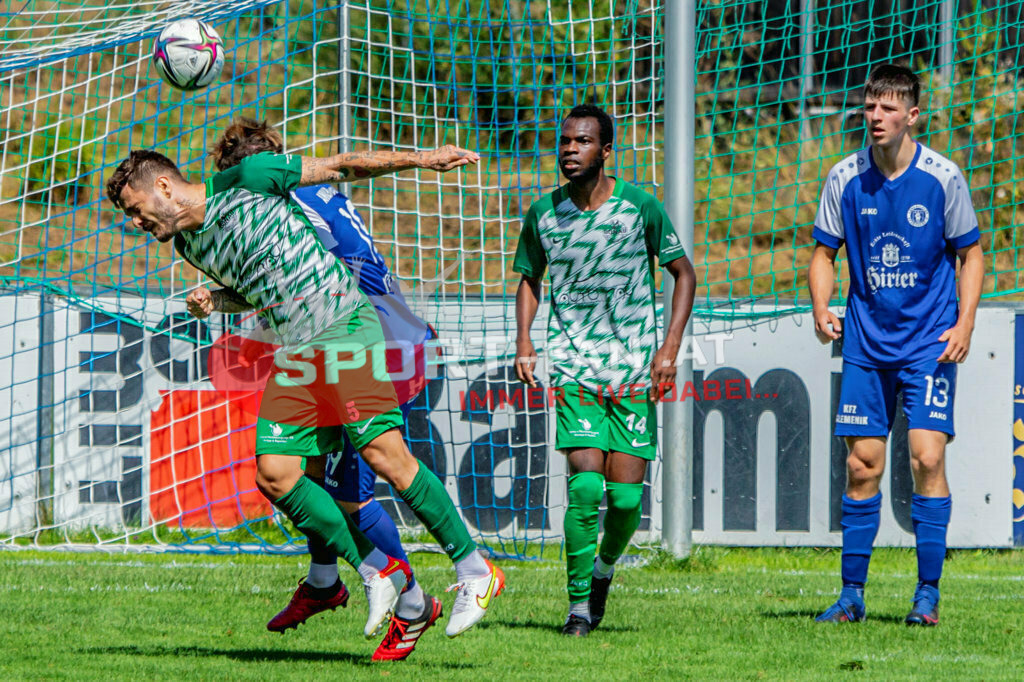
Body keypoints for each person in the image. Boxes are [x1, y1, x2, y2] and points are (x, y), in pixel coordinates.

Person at [105, 141, 504, 647]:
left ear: (163, 186)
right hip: (298, 351)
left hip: (342, 327)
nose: (138, 225)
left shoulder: (249, 177)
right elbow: (258, 288)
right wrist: (217, 300)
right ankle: (381, 573)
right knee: (276, 475)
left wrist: (425, 158)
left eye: (137, 211)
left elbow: (341, 165)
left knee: (384, 455)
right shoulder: (190, 247)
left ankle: (474, 569)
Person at [181, 118, 439, 661]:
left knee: (350, 494)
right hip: (369, 338)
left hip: (372, 345)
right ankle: (325, 580)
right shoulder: (315, 194)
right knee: (310, 474)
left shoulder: (294, 203)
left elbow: (296, 279)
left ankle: (412, 596)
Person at [809, 64, 983, 626]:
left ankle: (926, 594)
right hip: (865, 342)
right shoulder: (843, 177)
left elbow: (971, 254)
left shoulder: (943, 177)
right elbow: (823, 254)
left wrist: (966, 324)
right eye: (869, 106)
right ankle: (851, 596)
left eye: (887, 109)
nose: (875, 117)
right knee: (862, 466)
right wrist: (820, 305)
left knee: (927, 457)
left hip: (929, 343)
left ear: (912, 116)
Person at [512, 104, 696, 636]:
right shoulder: (544, 214)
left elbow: (684, 274)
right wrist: (526, 340)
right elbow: (529, 277)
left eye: (583, 142)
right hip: (574, 366)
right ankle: (575, 609)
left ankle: (603, 571)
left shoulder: (640, 208)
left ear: (605, 150)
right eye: (566, 141)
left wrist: (668, 349)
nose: (570, 150)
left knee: (626, 500)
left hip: (634, 368)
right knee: (586, 491)